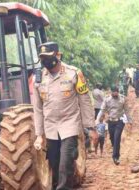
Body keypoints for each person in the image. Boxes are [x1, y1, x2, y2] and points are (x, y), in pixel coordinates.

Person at [33, 42, 95, 190]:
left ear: (58, 55)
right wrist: (39, 134)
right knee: (54, 165)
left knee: (65, 164)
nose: (45, 61)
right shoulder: (39, 78)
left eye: (49, 57)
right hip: (50, 129)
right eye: (43, 58)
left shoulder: (74, 73)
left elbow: (85, 101)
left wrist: (90, 127)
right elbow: (38, 108)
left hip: (70, 125)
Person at [96, 86, 132, 165]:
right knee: (112, 138)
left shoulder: (123, 99)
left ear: (118, 92)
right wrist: (97, 120)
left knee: (117, 137)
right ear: (111, 92)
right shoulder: (107, 99)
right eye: (114, 92)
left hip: (120, 121)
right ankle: (115, 147)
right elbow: (102, 110)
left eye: (117, 92)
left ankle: (116, 157)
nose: (115, 93)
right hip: (111, 121)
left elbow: (127, 110)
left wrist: (130, 121)